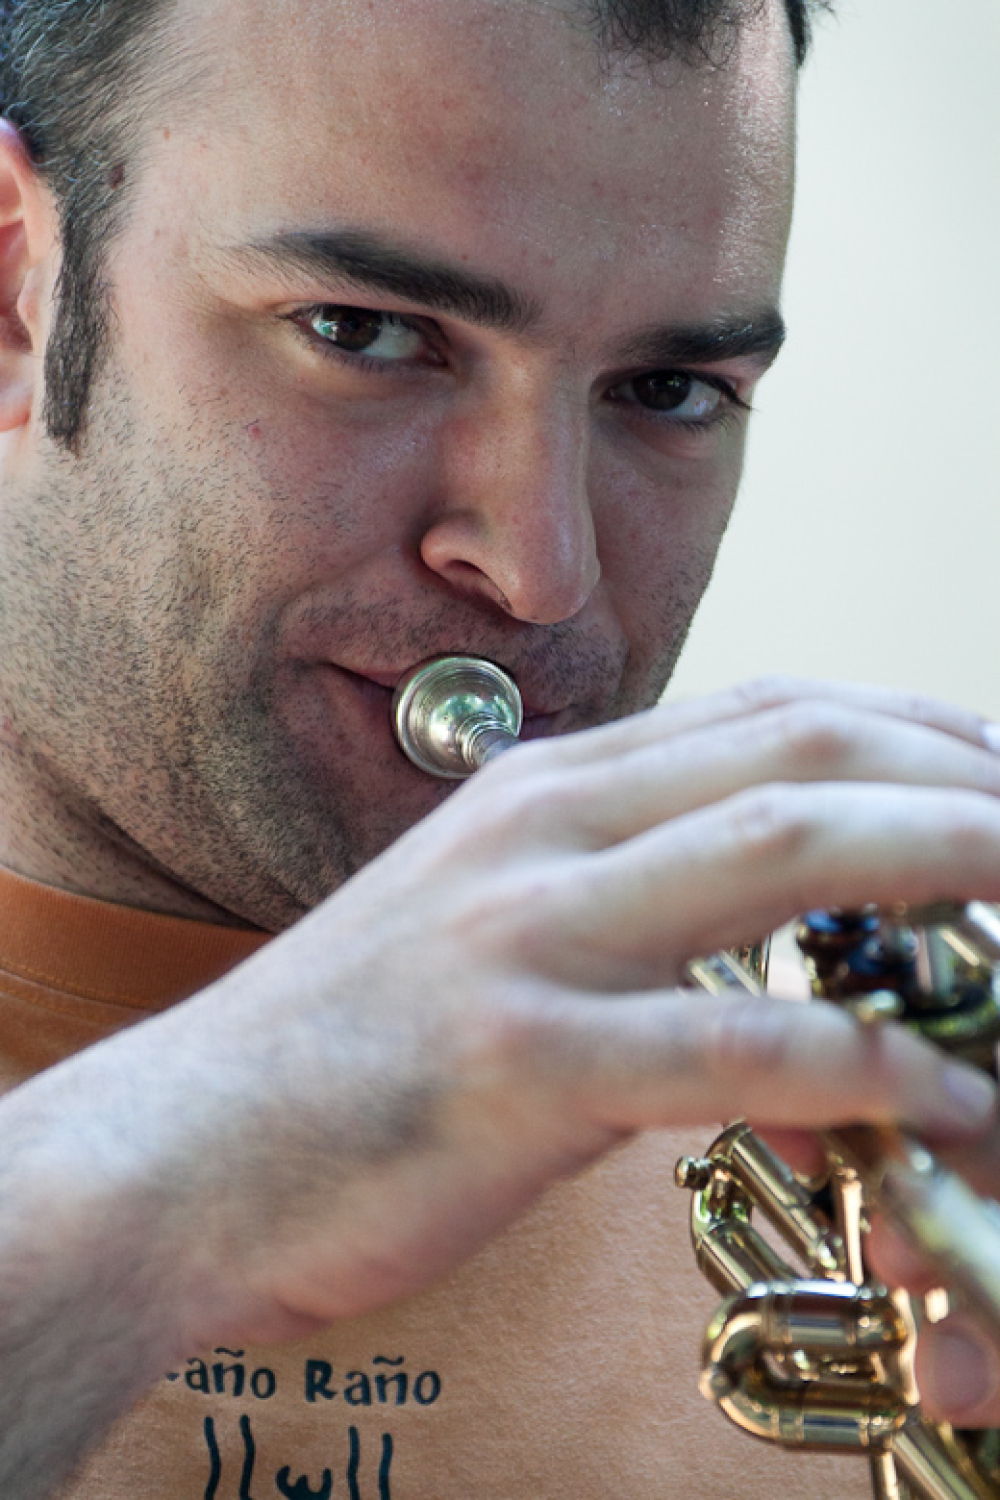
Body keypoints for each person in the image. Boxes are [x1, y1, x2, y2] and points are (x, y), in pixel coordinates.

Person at [0, 0, 998, 1495]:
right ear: (18, 292)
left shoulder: (881, 1185)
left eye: (669, 392)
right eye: (366, 333)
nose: (542, 572)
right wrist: (154, 1178)